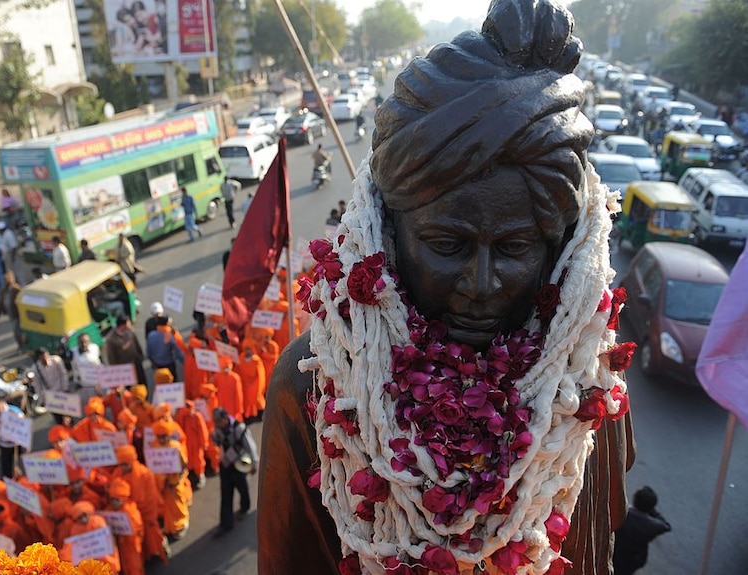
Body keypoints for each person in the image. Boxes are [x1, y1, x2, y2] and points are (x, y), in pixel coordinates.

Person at [257, 2, 634, 574]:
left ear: (555, 248)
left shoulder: (588, 383)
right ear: (389, 232)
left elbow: (594, 554)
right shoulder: (312, 385)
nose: (481, 286)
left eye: (512, 250)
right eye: (448, 246)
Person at [211, 407, 258, 538]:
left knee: (242, 488)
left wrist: (254, 463)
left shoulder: (239, 429)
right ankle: (226, 524)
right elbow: (217, 442)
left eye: (219, 422)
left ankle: (245, 507)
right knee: (225, 494)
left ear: (225, 418)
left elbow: (250, 446)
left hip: (239, 465)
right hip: (225, 465)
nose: (217, 425)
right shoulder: (218, 429)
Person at [613, 486, 671, 575]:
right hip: (632, 560)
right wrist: (652, 511)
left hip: (614, 553)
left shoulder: (620, 514)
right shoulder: (651, 525)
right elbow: (666, 526)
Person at [0, 396, 25, 478]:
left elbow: (24, 427)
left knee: (25, 460)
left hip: (17, 443)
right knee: (6, 468)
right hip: (4, 445)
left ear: (2, 403)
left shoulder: (14, 412)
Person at [105, 316, 147, 386]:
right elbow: (111, 357)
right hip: (125, 369)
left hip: (136, 363)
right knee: (130, 387)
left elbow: (137, 344)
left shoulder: (130, 332)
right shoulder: (112, 339)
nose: (130, 324)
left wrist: (141, 356)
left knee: (142, 383)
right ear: (123, 324)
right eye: (129, 322)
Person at [32, 347, 70, 422]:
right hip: (50, 396)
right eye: (42, 357)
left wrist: (65, 388)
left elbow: (63, 374)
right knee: (58, 418)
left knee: (68, 415)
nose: (45, 358)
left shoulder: (56, 360)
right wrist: (41, 400)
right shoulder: (36, 368)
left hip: (61, 391)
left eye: (46, 355)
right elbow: (38, 385)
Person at [146, 316, 186, 382]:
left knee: (161, 382)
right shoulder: (169, 336)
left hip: (158, 364)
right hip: (169, 364)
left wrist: (152, 361)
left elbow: (148, 352)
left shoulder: (151, 335)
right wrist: (185, 362)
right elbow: (178, 353)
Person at [0, 270, 23, 354]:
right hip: (11, 315)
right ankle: (21, 346)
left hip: (17, 315)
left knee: (17, 333)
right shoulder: (3, 291)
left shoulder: (17, 289)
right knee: (17, 332)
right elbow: (0, 302)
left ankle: (22, 347)